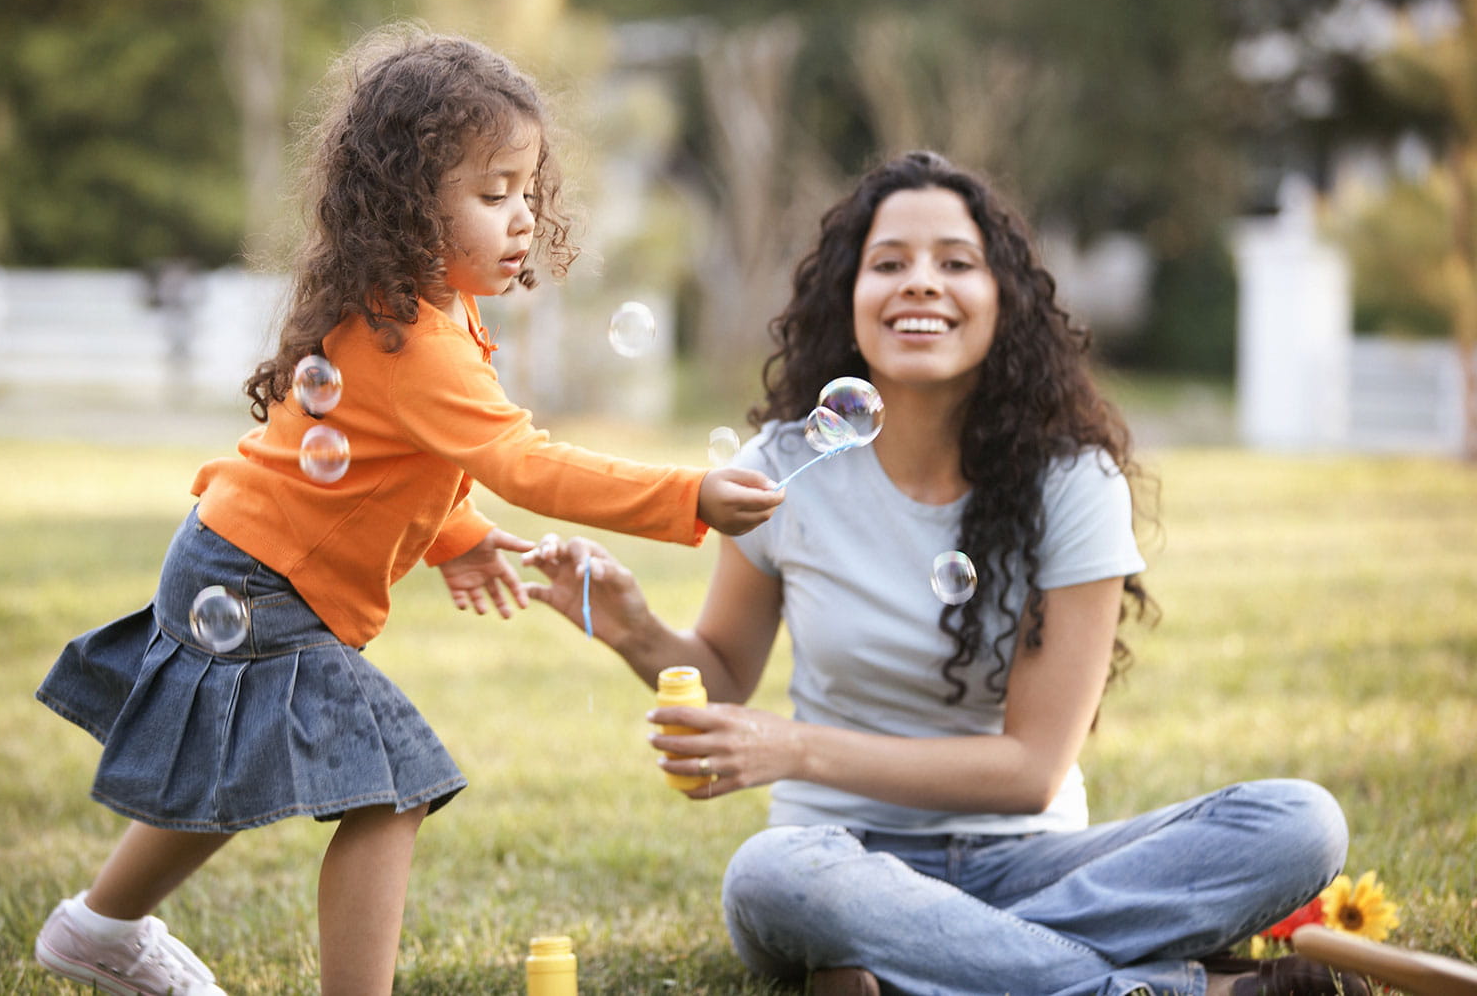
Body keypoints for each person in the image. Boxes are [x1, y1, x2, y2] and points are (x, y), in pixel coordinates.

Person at [31, 25, 783, 996]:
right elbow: (519, 459)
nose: (521, 219)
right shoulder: (413, 337)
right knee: (391, 788)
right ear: (407, 203)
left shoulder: (411, 309)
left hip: (242, 565)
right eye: (492, 193)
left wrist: (457, 536)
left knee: (229, 767)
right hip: (259, 582)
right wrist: (689, 494)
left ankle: (99, 927)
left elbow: (389, 462)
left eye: (526, 190)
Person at [522, 151, 1368, 996]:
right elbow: (722, 676)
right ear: (848, 302)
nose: (921, 282)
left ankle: (927, 966)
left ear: (1004, 301)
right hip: (841, 857)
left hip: (1033, 860)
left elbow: (1032, 768)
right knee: (770, 875)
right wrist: (631, 623)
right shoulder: (784, 468)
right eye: (889, 263)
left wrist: (797, 748)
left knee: (1298, 823)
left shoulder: (1071, 481)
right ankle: (1166, 987)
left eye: (956, 264)